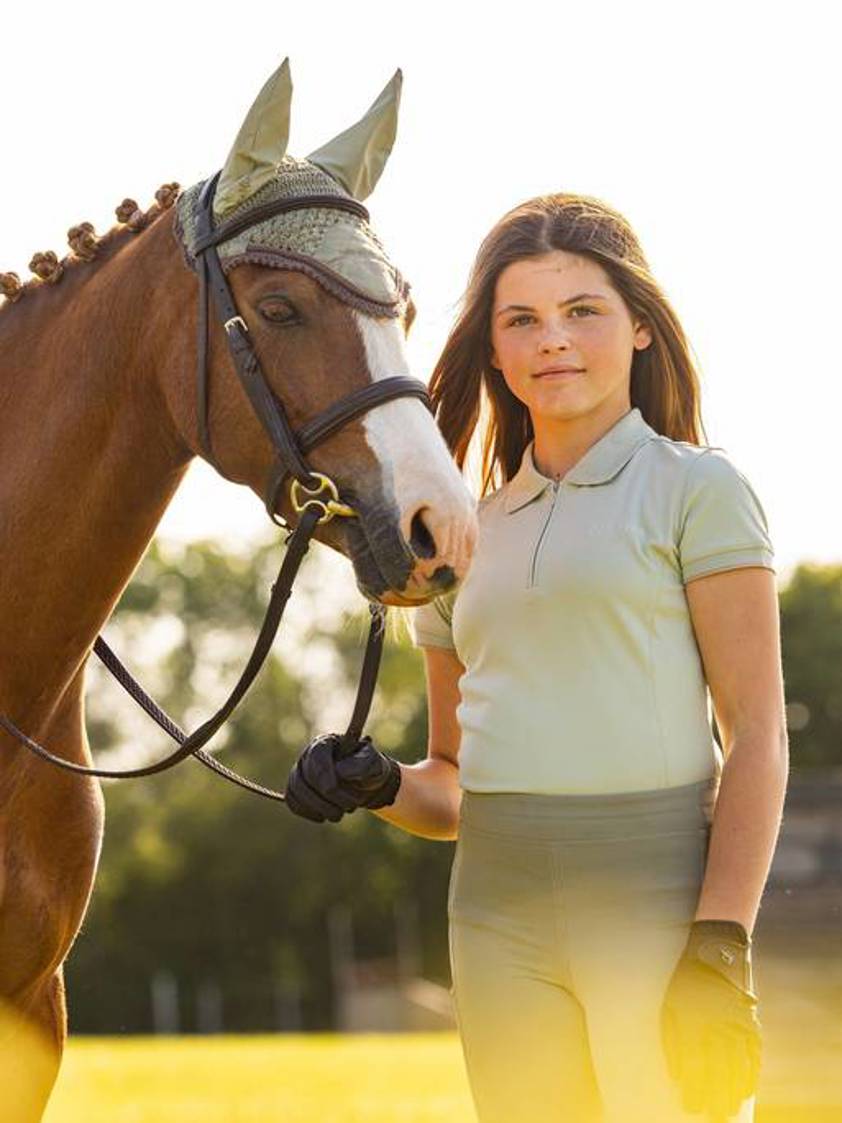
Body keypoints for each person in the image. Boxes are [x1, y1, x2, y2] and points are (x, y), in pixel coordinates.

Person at [283, 193, 789, 1123]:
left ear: (639, 327)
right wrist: (379, 784)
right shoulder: (459, 533)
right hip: (493, 916)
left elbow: (757, 736)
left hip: (659, 905)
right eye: (522, 320)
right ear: (494, 350)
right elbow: (455, 784)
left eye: (581, 312)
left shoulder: (699, 490)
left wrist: (723, 940)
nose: (552, 340)